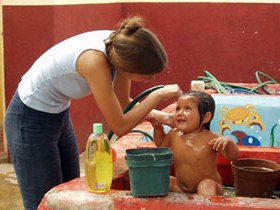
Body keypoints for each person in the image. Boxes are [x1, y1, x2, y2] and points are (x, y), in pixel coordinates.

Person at [4, 16, 181, 210]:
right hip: (29, 119)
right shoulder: (94, 60)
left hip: (58, 113)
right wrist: (158, 95)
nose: (151, 79)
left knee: (69, 197)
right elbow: (120, 125)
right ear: (129, 66)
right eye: (147, 76)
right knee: (43, 200)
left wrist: (165, 117)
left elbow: (124, 105)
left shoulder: (121, 48)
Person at [149, 91, 239, 196]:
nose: (180, 113)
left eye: (187, 109)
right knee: (161, 180)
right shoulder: (174, 134)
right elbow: (161, 146)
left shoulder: (211, 138)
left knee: (205, 185)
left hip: (210, 189)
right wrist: (158, 130)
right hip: (181, 187)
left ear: (205, 117)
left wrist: (228, 142)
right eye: (178, 108)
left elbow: (233, 157)